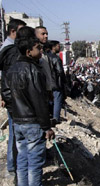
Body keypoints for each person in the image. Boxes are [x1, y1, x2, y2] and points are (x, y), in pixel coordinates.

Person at [2, 26, 55, 186]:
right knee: (34, 164)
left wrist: (16, 108)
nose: (40, 51)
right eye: (38, 48)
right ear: (28, 52)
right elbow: (39, 101)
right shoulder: (34, 71)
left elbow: (6, 93)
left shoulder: (11, 70)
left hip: (18, 122)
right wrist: (47, 126)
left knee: (22, 161)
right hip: (32, 123)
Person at [0, 18, 26, 178]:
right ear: (13, 31)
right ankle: (13, 167)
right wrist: (4, 96)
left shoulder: (11, 48)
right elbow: (5, 76)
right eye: (21, 31)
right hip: (13, 99)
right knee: (15, 133)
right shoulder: (9, 49)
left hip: (12, 97)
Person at [47, 40, 66, 123]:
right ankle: (56, 118)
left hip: (47, 82)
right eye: (58, 46)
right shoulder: (55, 58)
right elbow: (60, 72)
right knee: (57, 100)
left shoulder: (46, 56)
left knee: (50, 100)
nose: (59, 47)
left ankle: (51, 115)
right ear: (53, 47)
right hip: (55, 82)